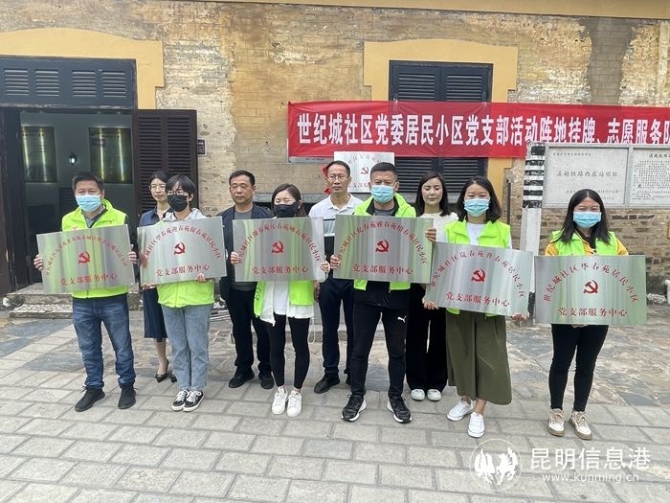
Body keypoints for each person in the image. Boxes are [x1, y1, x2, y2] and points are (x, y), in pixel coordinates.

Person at [33, 172, 137, 412]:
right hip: (81, 297)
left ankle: (127, 385)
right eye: (82, 192)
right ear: (75, 194)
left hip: (112, 295)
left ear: (102, 193)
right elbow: (62, 254)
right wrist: (45, 262)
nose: (87, 196)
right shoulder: (68, 220)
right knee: (88, 347)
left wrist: (132, 257)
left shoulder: (119, 217)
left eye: (92, 191)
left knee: (122, 345)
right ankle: (94, 387)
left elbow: (132, 250)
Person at [231, 184, 327, 417]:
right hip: (272, 295)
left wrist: (322, 268)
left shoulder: (309, 229)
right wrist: (239, 259)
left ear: (298, 203)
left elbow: (319, 267)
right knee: (275, 345)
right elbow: (251, 258)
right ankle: (281, 388)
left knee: (300, 345)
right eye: (278, 201)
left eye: (287, 201)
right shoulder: (263, 229)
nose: (282, 205)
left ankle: (296, 391)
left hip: (297, 296)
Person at [441, 176, 525, 438]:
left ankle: (479, 411)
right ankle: (465, 400)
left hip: (490, 307)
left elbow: (511, 269)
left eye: (481, 195)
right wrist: (434, 294)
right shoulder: (451, 230)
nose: (476, 200)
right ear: (463, 199)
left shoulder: (502, 231)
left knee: (489, 358)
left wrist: (516, 303)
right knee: (461, 354)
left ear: (490, 199)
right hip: (458, 305)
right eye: (471, 195)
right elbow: (442, 267)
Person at [333, 162, 416, 424]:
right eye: (377, 182)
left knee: (397, 350)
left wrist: (429, 239)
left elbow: (417, 251)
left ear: (396, 186)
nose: (382, 187)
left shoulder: (409, 213)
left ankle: (396, 396)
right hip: (365, 291)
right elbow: (349, 249)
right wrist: (339, 259)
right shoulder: (359, 213)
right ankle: (357, 395)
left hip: (397, 292)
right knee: (360, 348)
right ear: (369, 185)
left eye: (387, 183)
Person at [544, 189, 628, 440]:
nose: (588, 213)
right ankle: (556, 411)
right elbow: (550, 279)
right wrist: (570, 311)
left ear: (601, 212)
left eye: (593, 209)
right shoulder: (558, 242)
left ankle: (579, 412)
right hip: (566, 317)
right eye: (582, 209)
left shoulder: (612, 242)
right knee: (561, 362)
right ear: (572, 212)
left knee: (587, 365)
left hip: (599, 315)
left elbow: (624, 274)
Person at [155, 175, 215, 412]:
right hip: (169, 295)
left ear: (190, 196)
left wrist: (208, 272)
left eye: (180, 192)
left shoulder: (205, 224)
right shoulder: (160, 227)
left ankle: (197, 387)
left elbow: (216, 257)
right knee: (178, 345)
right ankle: (183, 385)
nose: (175, 196)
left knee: (197, 344)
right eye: (171, 192)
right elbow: (153, 258)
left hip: (197, 294)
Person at [308, 160, 362, 394]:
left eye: (341, 176)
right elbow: (312, 247)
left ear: (350, 180)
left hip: (354, 277)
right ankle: (330, 373)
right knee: (329, 328)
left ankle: (353, 372)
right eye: (333, 176)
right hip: (327, 278)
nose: (337, 180)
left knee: (355, 328)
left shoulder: (361, 208)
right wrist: (315, 279)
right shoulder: (317, 210)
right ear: (327, 180)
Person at [218, 170, 274, 389]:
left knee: (263, 331)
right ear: (230, 189)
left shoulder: (266, 217)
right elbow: (215, 252)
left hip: (259, 286)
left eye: (243, 186)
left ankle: (266, 369)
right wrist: (227, 259)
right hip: (233, 286)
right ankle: (243, 368)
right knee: (239, 330)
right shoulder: (222, 219)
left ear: (253, 189)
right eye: (234, 186)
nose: (239, 190)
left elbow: (274, 249)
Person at [407, 171, 457, 402]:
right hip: (416, 285)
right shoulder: (411, 217)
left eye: (437, 188)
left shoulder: (454, 219)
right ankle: (416, 381)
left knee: (440, 334)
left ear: (443, 191)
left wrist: (439, 241)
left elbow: (457, 251)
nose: (432, 192)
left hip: (444, 284)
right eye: (427, 188)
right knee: (415, 334)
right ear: (420, 191)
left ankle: (437, 382)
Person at [138, 170, 174, 382]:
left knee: (176, 321)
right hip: (151, 277)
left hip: (174, 276)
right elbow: (141, 248)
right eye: (154, 186)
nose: (158, 190)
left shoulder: (178, 213)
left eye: (162, 186)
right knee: (155, 322)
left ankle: (179, 361)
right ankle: (162, 361)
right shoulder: (145, 217)